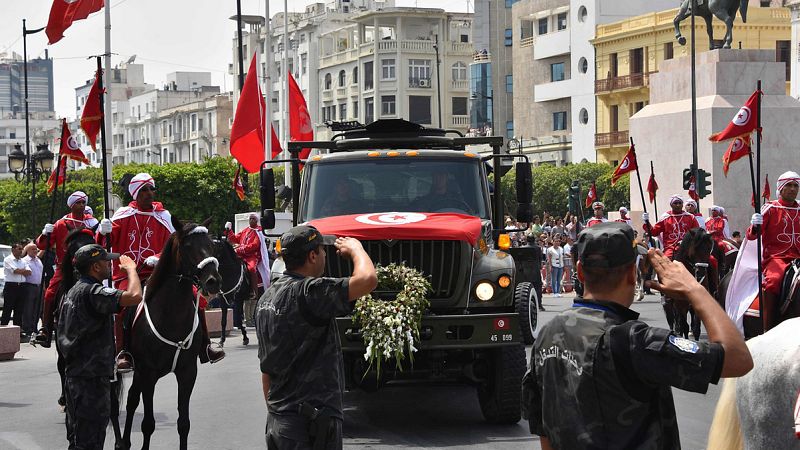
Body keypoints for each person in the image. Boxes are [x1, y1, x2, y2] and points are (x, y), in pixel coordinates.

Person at [525, 222, 753, 449]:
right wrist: (695, 290)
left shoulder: (547, 333)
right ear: (634, 273)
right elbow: (737, 359)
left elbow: (544, 432)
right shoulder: (634, 340)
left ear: (580, 271)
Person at [256, 225, 378, 449]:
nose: (324, 255)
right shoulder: (309, 292)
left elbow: (266, 369)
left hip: (279, 422)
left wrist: (278, 415)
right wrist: (356, 249)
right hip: (311, 426)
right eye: (322, 250)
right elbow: (368, 279)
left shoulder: (266, 298)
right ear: (312, 256)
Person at [98, 173, 223, 370]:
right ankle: (124, 351)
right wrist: (103, 231)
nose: (150, 194)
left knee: (194, 297)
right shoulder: (122, 216)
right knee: (124, 304)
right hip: (127, 273)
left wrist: (158, 256)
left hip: (157, 272)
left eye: (151, 189)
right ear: (135, 194)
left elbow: (174, 245)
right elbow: (106, 244)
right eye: (145, 190)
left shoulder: (164, 216)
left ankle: (205, 346)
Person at [57, 245, 143, 450]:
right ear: (95, 267)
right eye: (106, 262)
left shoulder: (72, 291)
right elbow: (134, 296)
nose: (110, 265)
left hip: (77, 376)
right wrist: (131, 270)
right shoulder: (92, 291)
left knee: (79, 439)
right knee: (90, 440)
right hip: (90, 380)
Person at [31, 191, 99, 346]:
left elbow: (101, 241)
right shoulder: (61, 223)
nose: (82, 205)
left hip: (88, 266)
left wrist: (104, 231)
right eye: (78, 203)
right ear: (71, 205)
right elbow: (41, 245)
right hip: (65, 267)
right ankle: (45, 329)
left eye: (83, 202)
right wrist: (44, 234)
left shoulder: (92, 222)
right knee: (49, 294)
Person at [748, 170, 800, 331]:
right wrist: (755, 226)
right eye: (789, 185)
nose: (793, 189)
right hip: (777, 258)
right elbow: (751, 236)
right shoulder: (770, 208)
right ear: (781, 188)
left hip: (798, 257)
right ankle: (767, 327)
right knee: (774, 281)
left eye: (795, 186)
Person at [224, 213, 270, 300]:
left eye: (253, 219)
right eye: (250, 218)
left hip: (252, 256)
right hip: (241, 255)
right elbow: (234, 239)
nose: (251, 220)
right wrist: (229, 230)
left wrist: (240, 249)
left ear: (256, 221)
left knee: (251, 268)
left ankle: (254, 291)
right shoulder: (245, 230)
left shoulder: (259, 231)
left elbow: (255, 245)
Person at [642, 195, 700, 259]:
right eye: (675, 203)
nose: (678, 205)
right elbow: (654, 232)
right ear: (671, 205)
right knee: (665, 262)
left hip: (688, 248)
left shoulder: (690, 217)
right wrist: (646, 222)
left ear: (682, 204)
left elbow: (697, 233)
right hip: (671, 249)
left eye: (680, 203)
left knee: (708, 260)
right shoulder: (665, 217)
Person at [1, 242, 31, 332]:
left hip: (21, 286)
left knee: (19, 309)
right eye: (19, 249)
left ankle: (17, 330)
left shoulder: (23, 261)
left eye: (22, 249)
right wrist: (23, 271)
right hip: (11, 286)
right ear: (13, 250)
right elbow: (15, 271)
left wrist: (21, 271)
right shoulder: (8, 259)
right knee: (8, 308)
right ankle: (4, 329)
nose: (21, 251)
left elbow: (29, 272)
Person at [21, 243, 44, 339]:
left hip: (39, 286)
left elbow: (42, 274)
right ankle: (27, 328)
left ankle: (34, 327)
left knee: (37, 308)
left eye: (36, 249)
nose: (35, 251)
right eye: (33, 249)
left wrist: (44, 287)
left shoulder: (38, 260)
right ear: (28, 250)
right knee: (28, 308)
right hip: (28, 287)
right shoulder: (24, 261)